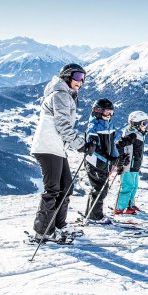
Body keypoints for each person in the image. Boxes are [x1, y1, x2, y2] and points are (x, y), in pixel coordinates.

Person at [30, 63, 96, 242]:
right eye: (76, 76)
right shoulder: (60, 94)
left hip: (56, 148)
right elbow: (62, 125)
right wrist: (81, 145)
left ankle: (58, 225)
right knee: (53, 189)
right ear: (67, 76)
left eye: (83, 78)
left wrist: (82, 143)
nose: (80, 81)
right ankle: (43, 231)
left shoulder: (65, 94)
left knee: (66, 187)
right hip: (48, 147)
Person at [84, 98, 120, 223]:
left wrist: (116, 157)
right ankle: (95, 216)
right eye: (106, 112)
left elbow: (113, 144)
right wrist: (108, 158)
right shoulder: (93, 127)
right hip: (94, 162)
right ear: (98, 111)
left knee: (101, 187)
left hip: (105, 163)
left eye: (111, 112)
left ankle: (90, 213)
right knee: (100, 189)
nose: (109, 115)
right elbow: (94, 150)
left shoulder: (110, 125)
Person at [113, 111, 148, 215]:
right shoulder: (132, 134)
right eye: (144, 123)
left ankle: (130, 205)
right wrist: (122, 158)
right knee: (127, 187)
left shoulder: (137, 133)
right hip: (128, 166)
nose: (145, 126)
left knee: (133, 186)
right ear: (136, 124)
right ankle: (120, 208)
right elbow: (119, 145)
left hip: (135, 166)